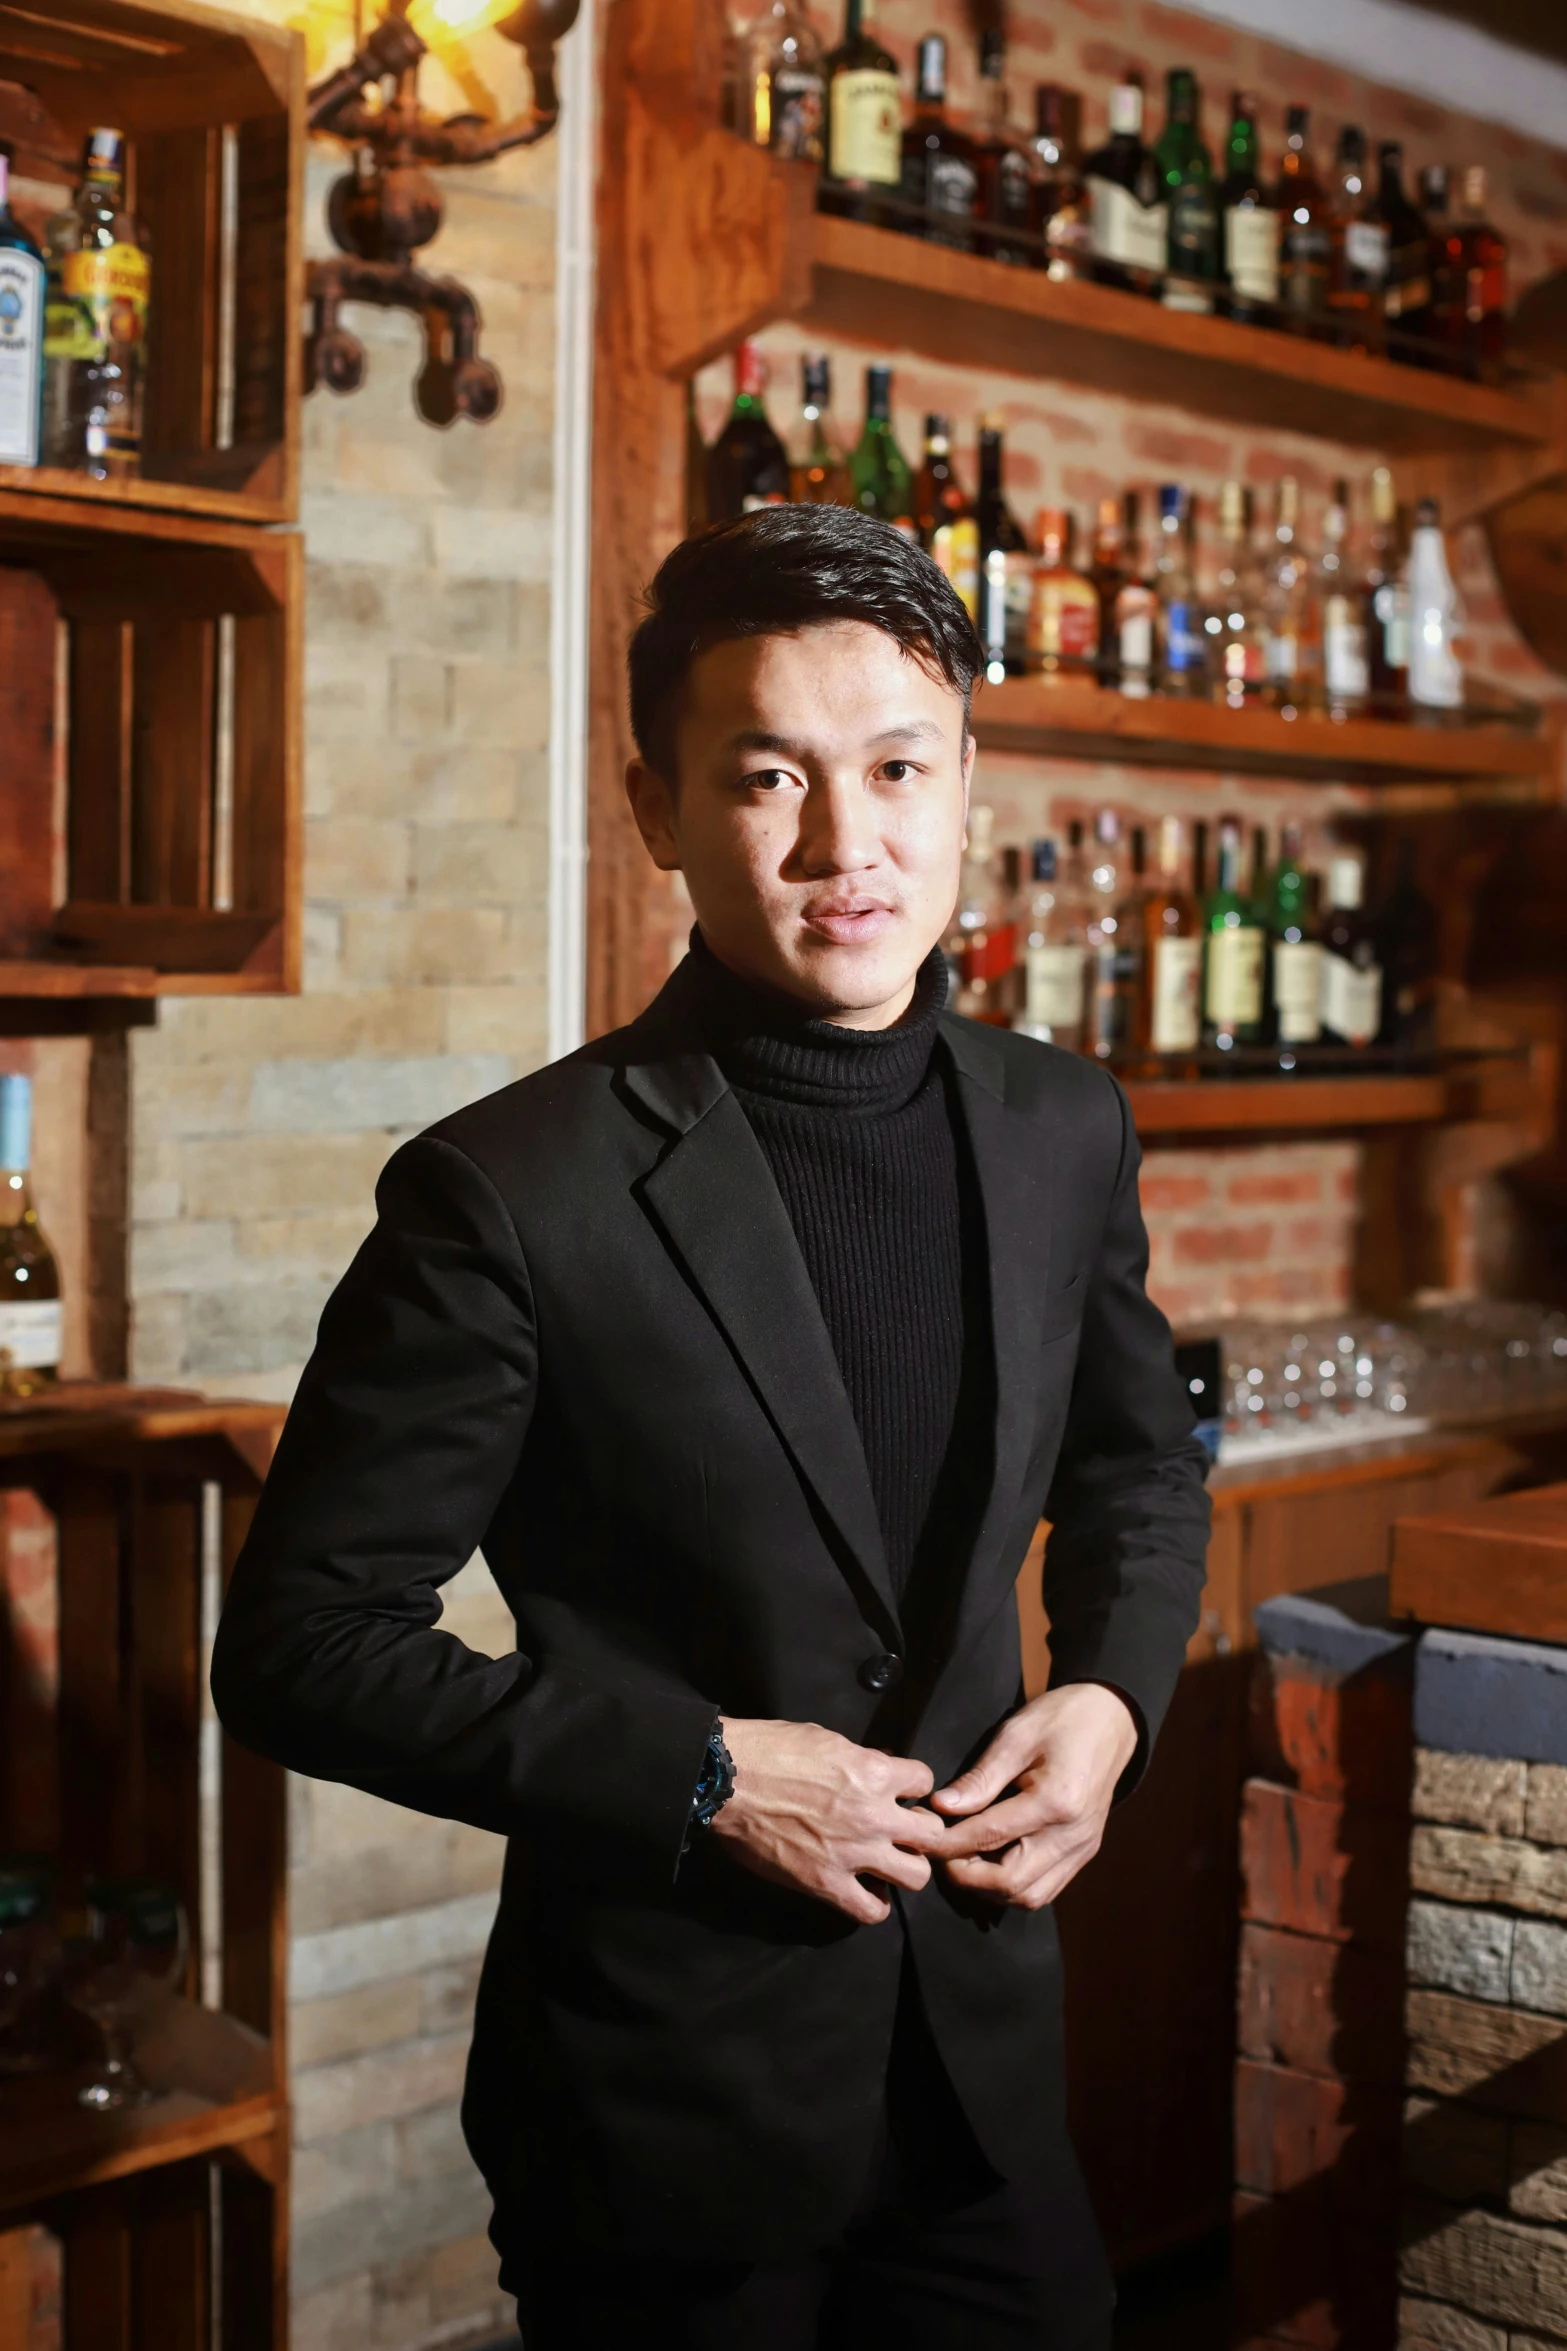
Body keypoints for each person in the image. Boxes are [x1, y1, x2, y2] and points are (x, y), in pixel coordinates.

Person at [211, 505, 1211, 2349]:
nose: (849, 844)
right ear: (655, 807)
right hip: (665, 2118)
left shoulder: (1064, 1123)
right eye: (769, 778)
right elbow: (299, 1648)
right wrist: (700, 1773)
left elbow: (1139, 1459)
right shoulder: (505, 1191)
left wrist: (1114, 1692)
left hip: (984, 2078)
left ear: (967, 783)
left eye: (898, 768)